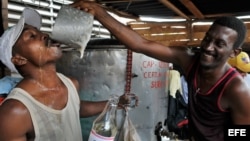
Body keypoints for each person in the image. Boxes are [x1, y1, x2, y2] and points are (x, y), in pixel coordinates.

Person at [71, 1, 250, 141]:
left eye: (219, 44)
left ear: (234, 52)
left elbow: (243, 133)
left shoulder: (236, 89)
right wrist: (99, 12)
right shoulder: (188, 60)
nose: (208, 47)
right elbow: (140, 44)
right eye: (207, 39)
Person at [0, 7, 138, 141]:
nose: (45, 35)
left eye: (39, 31)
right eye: (31, 36)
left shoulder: (70, 83)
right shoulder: (14, 112)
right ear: (19, 59)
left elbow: (75, 108)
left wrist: (115, 103)